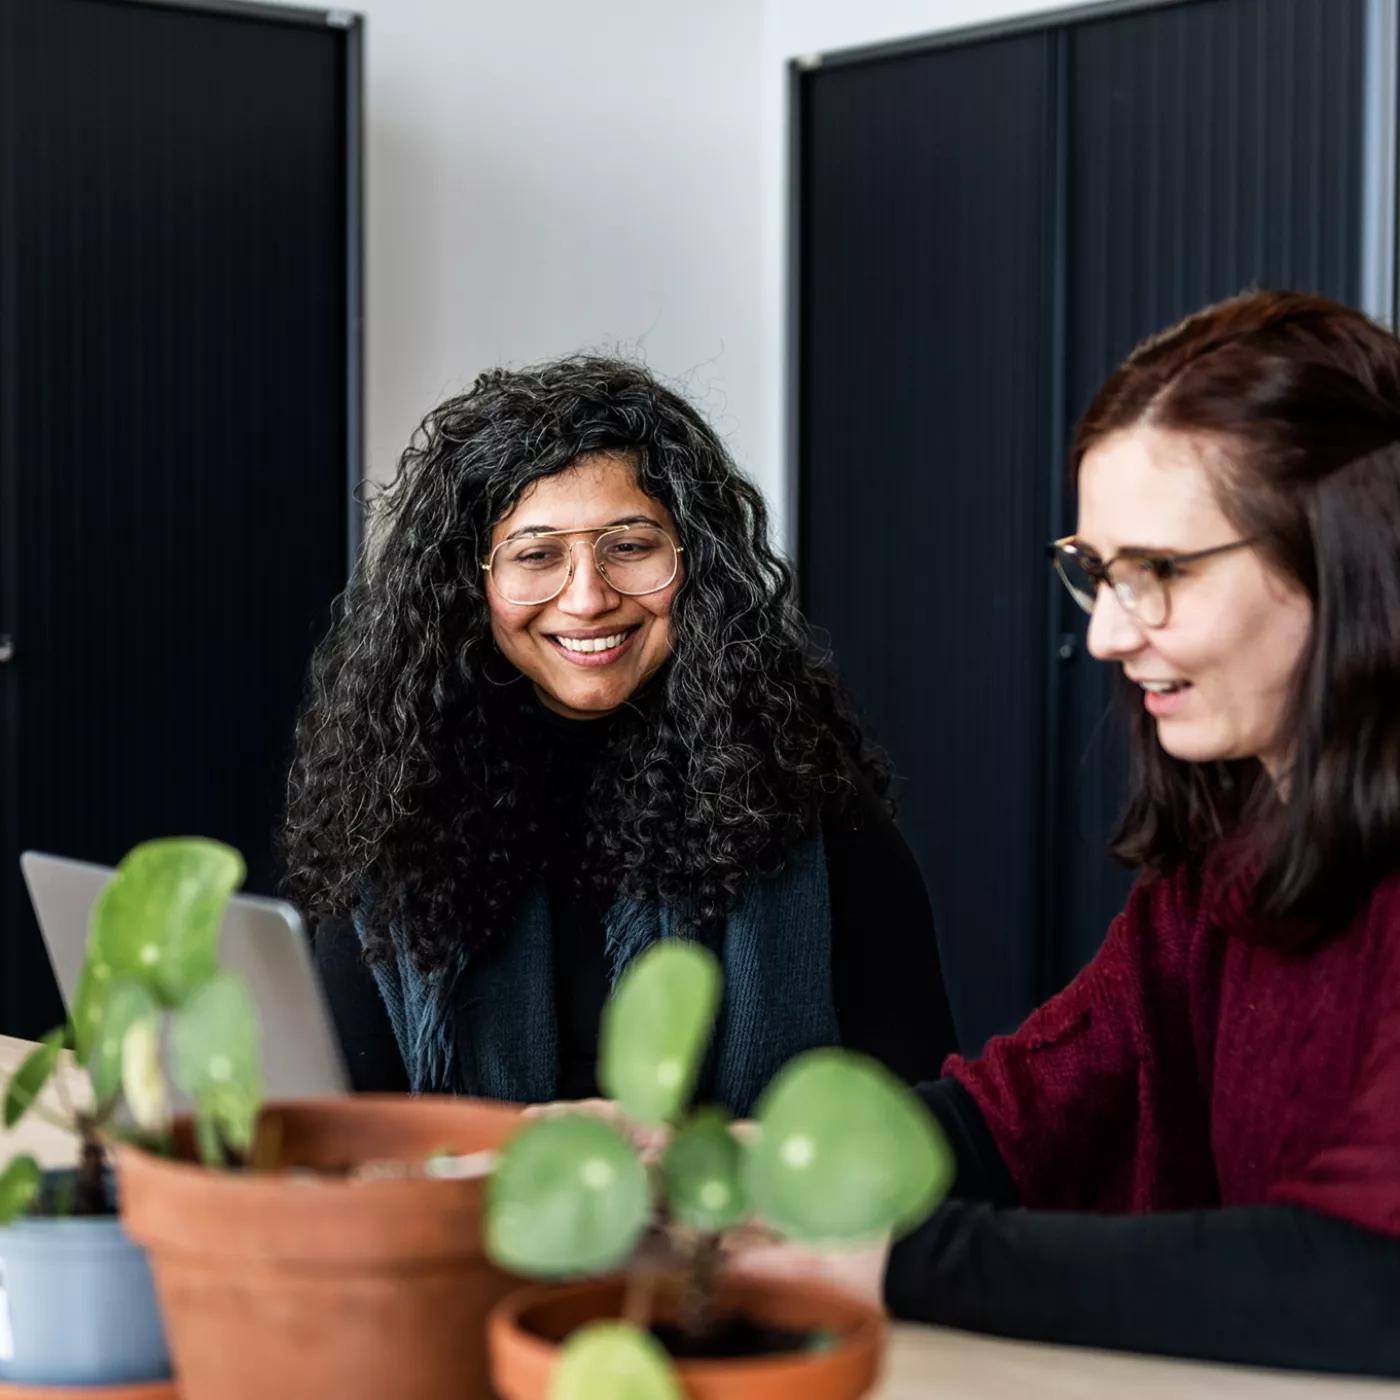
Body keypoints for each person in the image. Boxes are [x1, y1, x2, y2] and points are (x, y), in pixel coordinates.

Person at [733, 291, 1400, 1376]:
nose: (1102, 632)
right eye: (1094, 570)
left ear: (1348, 554)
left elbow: (1368, 1274)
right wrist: (730, 1165)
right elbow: (1015, 1117)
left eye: (1161, 572)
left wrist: (895, 1259)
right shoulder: (1225, 848)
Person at [280, 355, 957, 1114]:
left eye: (630, 546)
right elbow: (347, 1124)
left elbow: (911, 1110)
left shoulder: (802, 788)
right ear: (469, 586)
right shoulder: (399, 798)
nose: (588, 597)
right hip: (459, 1223)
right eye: (536, 555)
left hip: (735, 1227)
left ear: (693, 560)